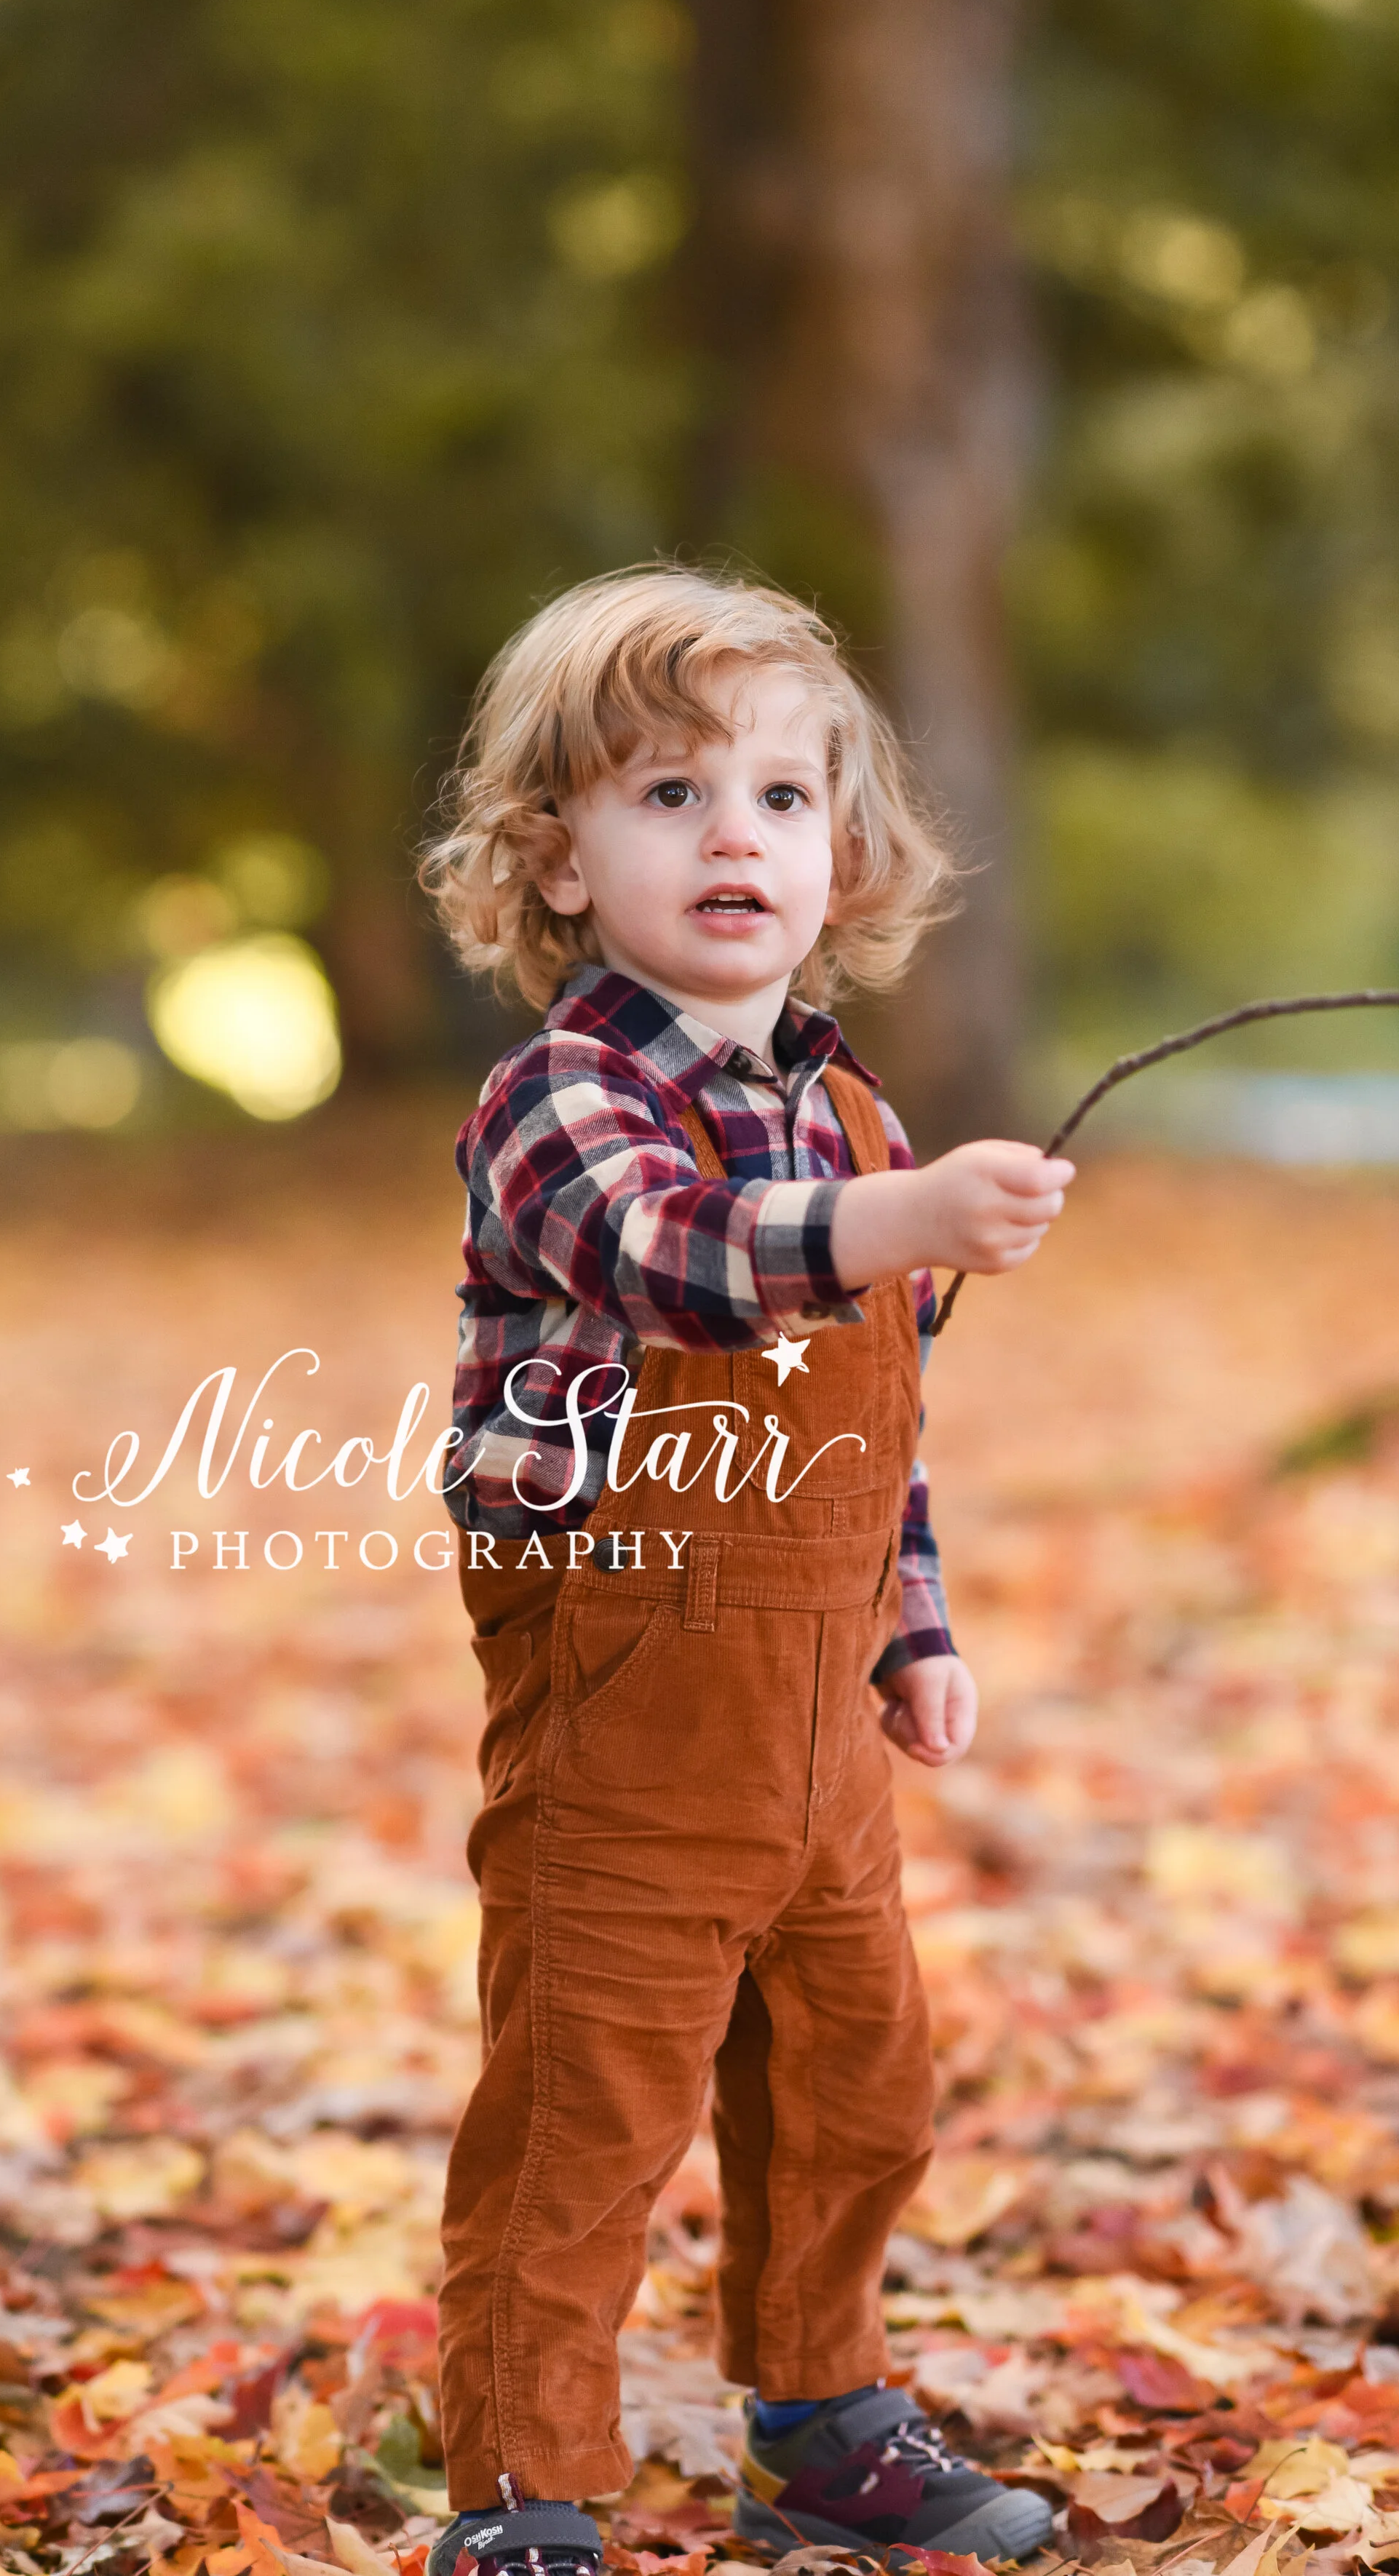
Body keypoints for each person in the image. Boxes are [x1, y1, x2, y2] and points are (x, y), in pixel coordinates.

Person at [418, 567, 1074, 2576]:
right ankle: (527, 2494)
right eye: (669, 793)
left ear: (843, 853)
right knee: (586, 2111)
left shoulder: (849, 1109)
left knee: (855, 2081)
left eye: (782, 800)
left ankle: (818, 2413)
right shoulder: (561, 1105)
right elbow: (679, 1263)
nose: (734, 837)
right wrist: (889, 1215)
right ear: (552, 858)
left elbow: (874, 1424)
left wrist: (917, 1628)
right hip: (630, 1709)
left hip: (815, 1727)